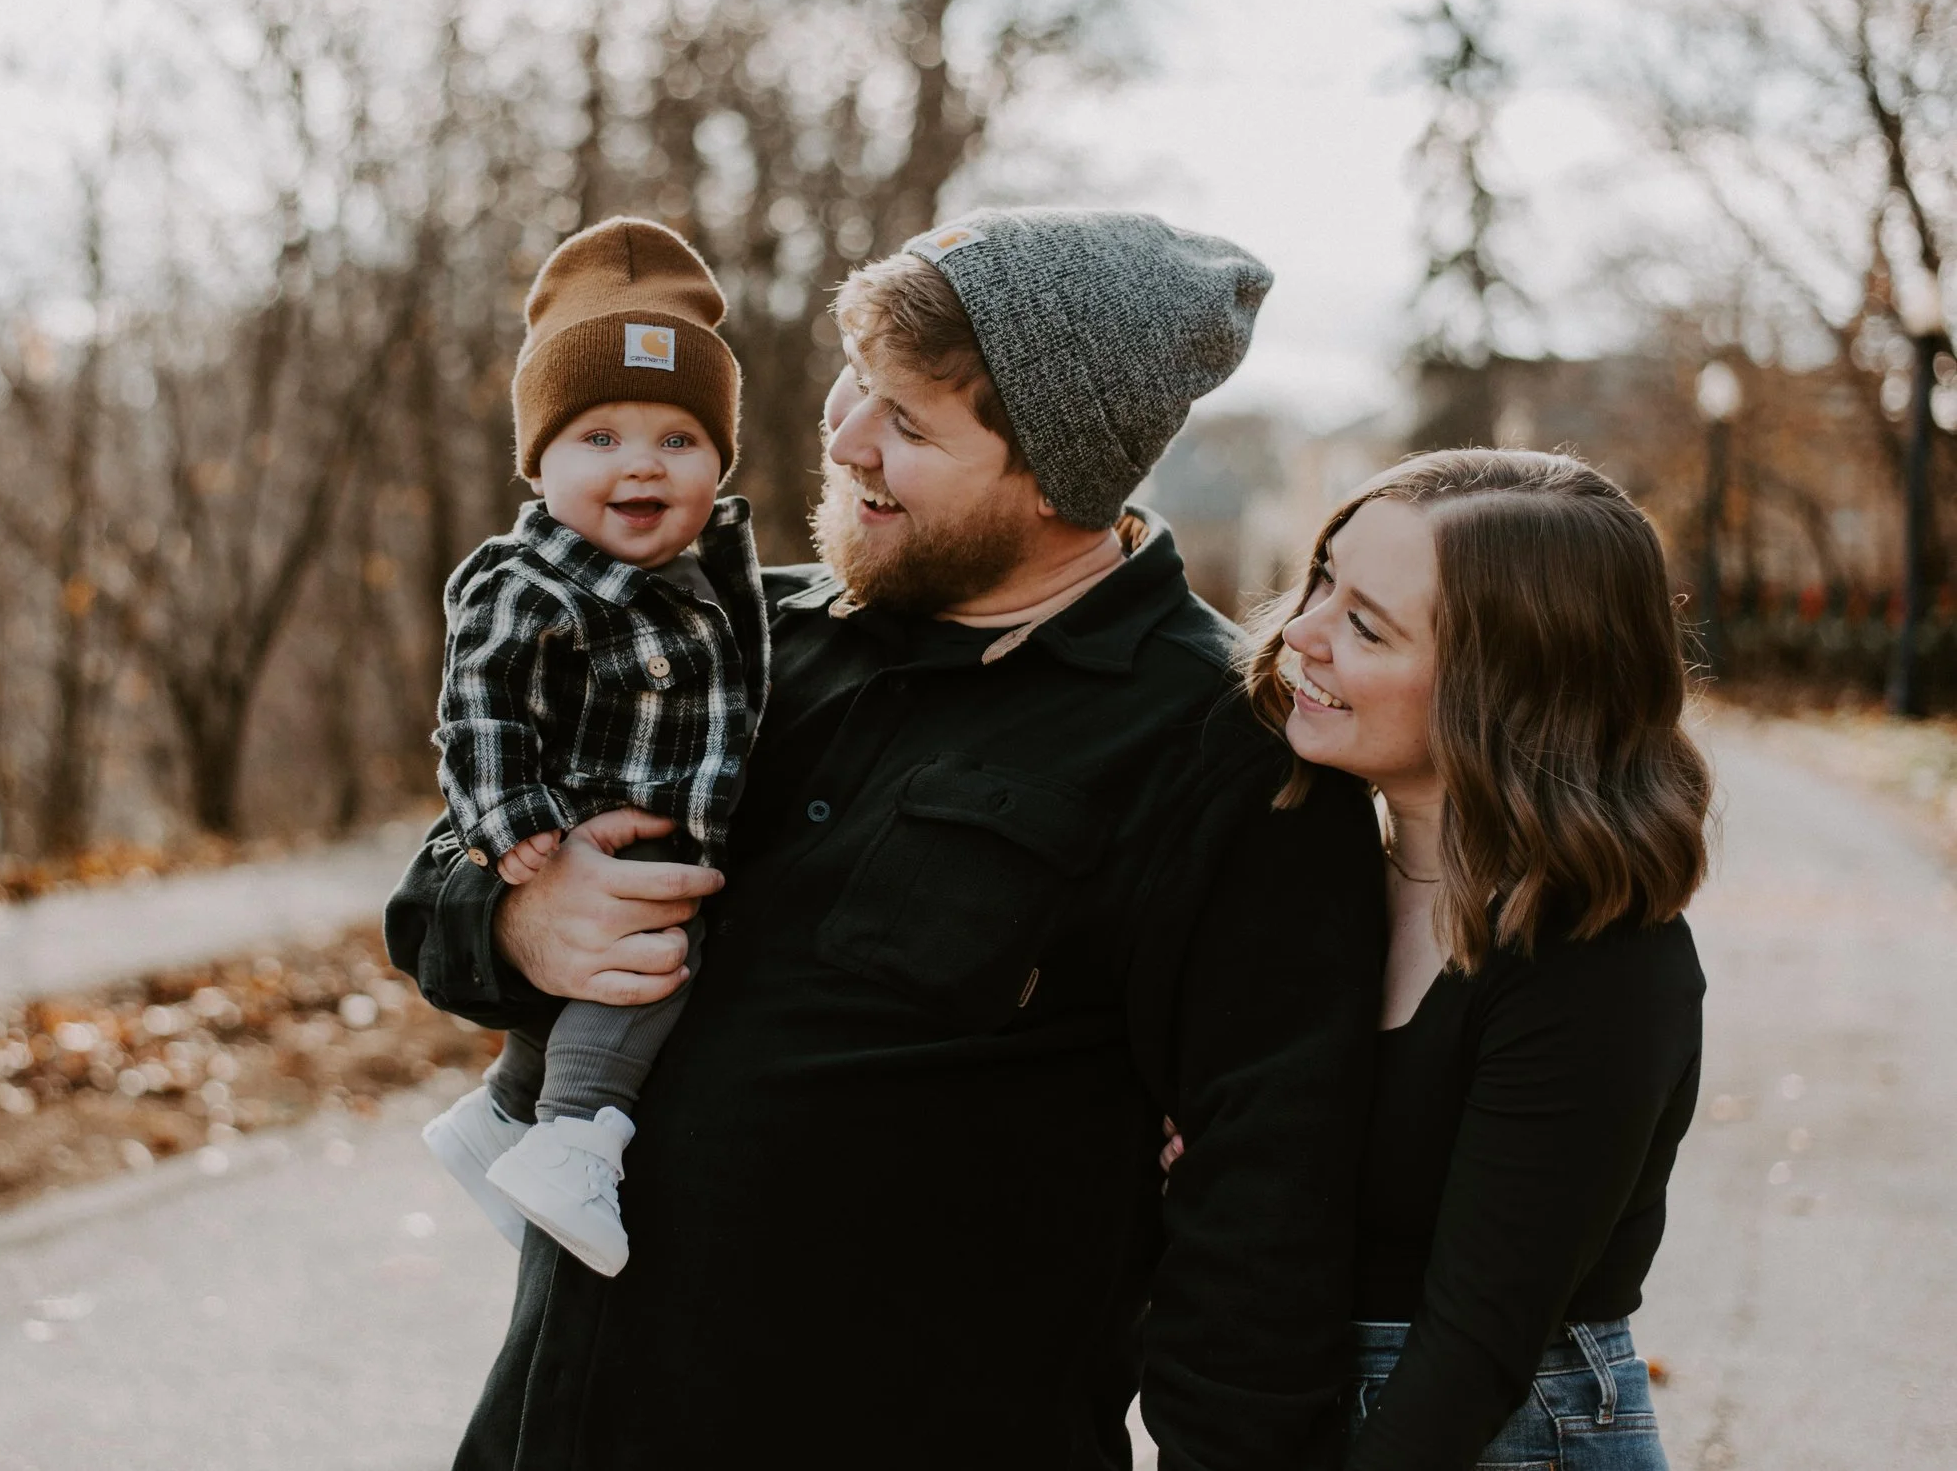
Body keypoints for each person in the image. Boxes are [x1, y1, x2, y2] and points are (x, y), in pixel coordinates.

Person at [387, 208, 1390, 1469]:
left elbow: (1266, 1211)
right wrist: (519, 919)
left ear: (1059, 476)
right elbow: (430, 902)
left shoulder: (1219, 752)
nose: (846, 437)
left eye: (908, 423)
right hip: (563, 1426)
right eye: (858, 385)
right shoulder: (735, 631)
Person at [1240, 447, 1710, 1470]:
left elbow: (1475, 1347)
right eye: (1323, 577)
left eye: (1364, 625)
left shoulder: (1598, 958)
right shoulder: (1323, 879)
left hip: (1490, 1434)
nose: (1301, 633)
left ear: (1504, 691)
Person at [417, 216, 770, 1277]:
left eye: (677, 439)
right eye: (598, 438)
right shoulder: (529, 581)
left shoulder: (717, 588)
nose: (641, 467)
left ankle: (494, 1121)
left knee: (630, 959)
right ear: (539, 465)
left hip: (663, 828)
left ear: (718, 458)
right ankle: (575, 1137)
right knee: (650, 965)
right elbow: (476, 703)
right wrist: (509, 822)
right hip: (584, 831)